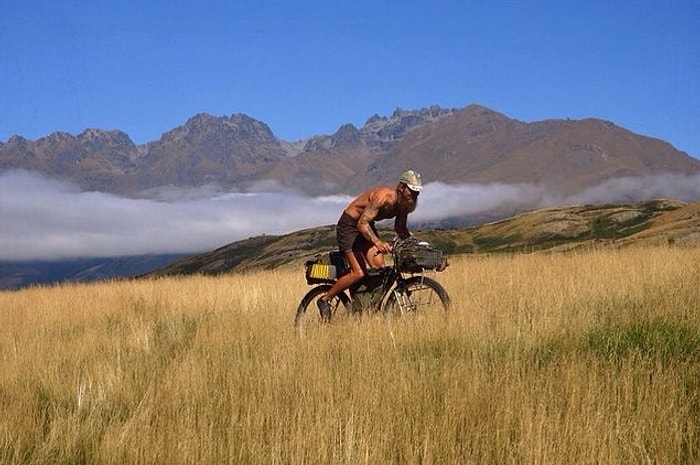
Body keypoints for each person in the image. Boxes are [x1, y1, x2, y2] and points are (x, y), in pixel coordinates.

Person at [317, 169, 423, 319]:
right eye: (412, 191)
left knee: (380, 269)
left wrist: (414, 246)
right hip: (350, 226)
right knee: (358, 272)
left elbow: (400, 228)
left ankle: (367, 304)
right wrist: (378, 242)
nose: (414, 195)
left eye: (417, 192)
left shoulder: (404, 204)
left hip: (366, 226)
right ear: (401, 187)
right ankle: (325, 299)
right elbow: (362, 224)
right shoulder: (382, 197)